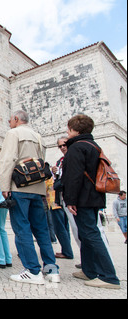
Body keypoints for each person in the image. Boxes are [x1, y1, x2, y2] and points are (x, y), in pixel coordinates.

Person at [0, 110, 59, 285]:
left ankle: (32, 271)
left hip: (20, 187)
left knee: (22, 228)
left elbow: (8, 160)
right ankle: (51, 269)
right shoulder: (38, 136)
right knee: (41, 229)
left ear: (17, 119)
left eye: (10, 119)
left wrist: (4, 187)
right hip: (38, 189)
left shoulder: (13, 133)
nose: (9, 122)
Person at [62, 114, 120, 289]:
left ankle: (109, 276)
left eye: (69, 128)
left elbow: (73, 177)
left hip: (83, 198)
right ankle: (89, 270)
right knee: (86, 233)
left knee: (91, 234)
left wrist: (70, 199)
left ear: (76, 130)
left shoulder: (77, 147)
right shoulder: (93, 146)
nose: (67, 131)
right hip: (93, 196)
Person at [49, 137, 74, 259]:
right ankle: (67, 250)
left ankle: (67, 251)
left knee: (61, 226)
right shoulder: (60, 161)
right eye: (60, 146)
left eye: (65, 144)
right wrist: (54, 172)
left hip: (65, 198)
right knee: (64, 226)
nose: (63, 147)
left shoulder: (73, 157)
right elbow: (59, 177)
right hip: (59, 198)